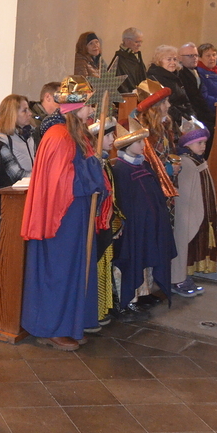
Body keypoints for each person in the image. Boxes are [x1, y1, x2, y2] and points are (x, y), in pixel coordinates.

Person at [20, 77, 106, 351]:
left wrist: (94, 167)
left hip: (76, 212)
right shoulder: (58, 136)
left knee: (74, 267)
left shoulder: (75, 133)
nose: (91, 110)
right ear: (75, 107)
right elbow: (62, 182)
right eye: (88, 105)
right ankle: (51, 327)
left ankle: (71, 323)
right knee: (59, 269)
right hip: (61, 215)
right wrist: (92, 172)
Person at [110, 121, 175, 317]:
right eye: (139, 142)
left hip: (149, 225)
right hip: (134, 227)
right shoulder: (121, 169)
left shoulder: (144, 164)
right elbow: (123, 202)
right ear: (127, 145)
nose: (143, 145)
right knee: (134, 259)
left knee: (148, 257)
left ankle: (144, 293)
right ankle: (130, 299)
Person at [173, 118, 217, 295]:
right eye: (199, 143)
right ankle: (177, 279)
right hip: (186, 213)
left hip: (200, 211)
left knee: (191, 245)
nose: (203, 146)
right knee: (183, 243)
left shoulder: (198, 161)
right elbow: (184, 193)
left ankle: (184, 275)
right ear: (188, 144)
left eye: (204, 143)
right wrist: (188, 214)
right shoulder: (185, 162)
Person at [88, 117, 121, 327]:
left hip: (106, 224)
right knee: (96, 267)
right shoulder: (93, 163)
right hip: (96, 225)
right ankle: (94, 311)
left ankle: (103, 307)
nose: (112, 139)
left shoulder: (105, 162)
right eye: (107, 135)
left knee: (105, 266)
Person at [146, 45, 194, 126]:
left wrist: (192, 116)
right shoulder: (154, 79)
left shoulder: (176, 77)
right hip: (169, 121)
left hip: (183, 119)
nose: (173, 62)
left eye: (175, 59)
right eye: (169, 59)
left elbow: (186, 100)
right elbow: (164, 106)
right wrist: (184, 119)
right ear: (159, 61)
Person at [0, 94, 37, 184]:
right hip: (15, 188)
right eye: (24, 111)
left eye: (28, 109)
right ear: (12, 114)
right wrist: (40, 178)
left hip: (31, 184)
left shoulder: (29, 135)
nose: (30, 113)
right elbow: (16, 175)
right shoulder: (2, 139)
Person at [177, 43, 215, 131]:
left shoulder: (196, 72)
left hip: (202, 113)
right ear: (180, 58)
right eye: (190, 56)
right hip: (192, 116)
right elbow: (192, 99)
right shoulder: (180, 74)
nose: (194, 58)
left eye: (196, 55)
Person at [109, 27, 148, 93]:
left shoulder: (136, 56)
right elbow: (120, 85)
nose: (140, 45)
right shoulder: (119, 60)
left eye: (141, 42)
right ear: (127, 41)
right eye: (137, 42)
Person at [29, 81, 61, 146]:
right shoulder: (30, 120)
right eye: (60, 97)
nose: (64, 103)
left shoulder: (60, 119)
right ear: (48, 97)